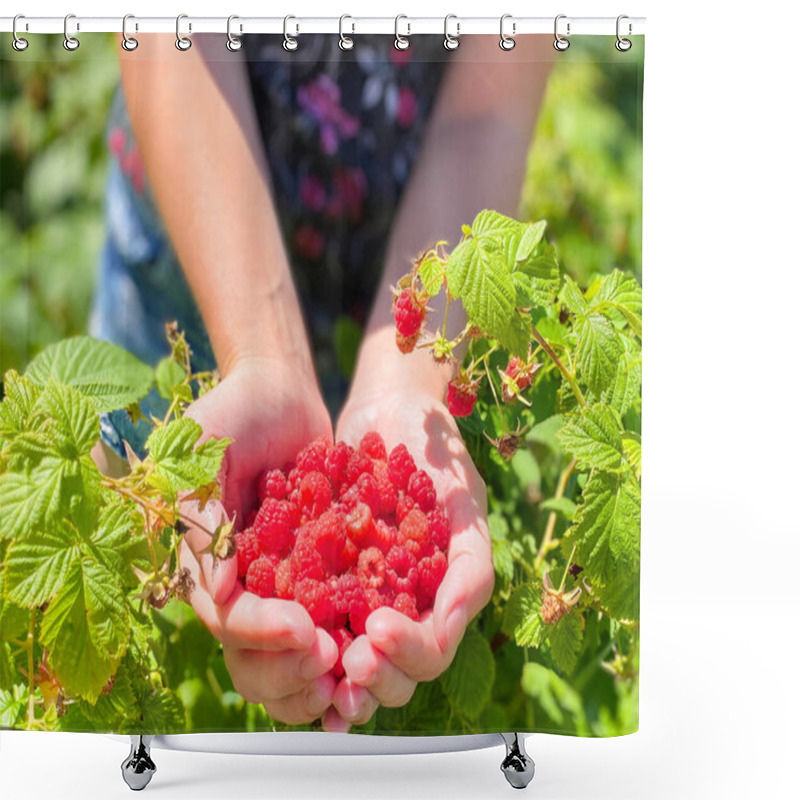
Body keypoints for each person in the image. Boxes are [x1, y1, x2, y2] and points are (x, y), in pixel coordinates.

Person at [93, 32, 551, 732]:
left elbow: (486, 104)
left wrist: (409, 381)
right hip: (192, 237)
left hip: (406, 264)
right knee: (131, 573)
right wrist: (262, 361)